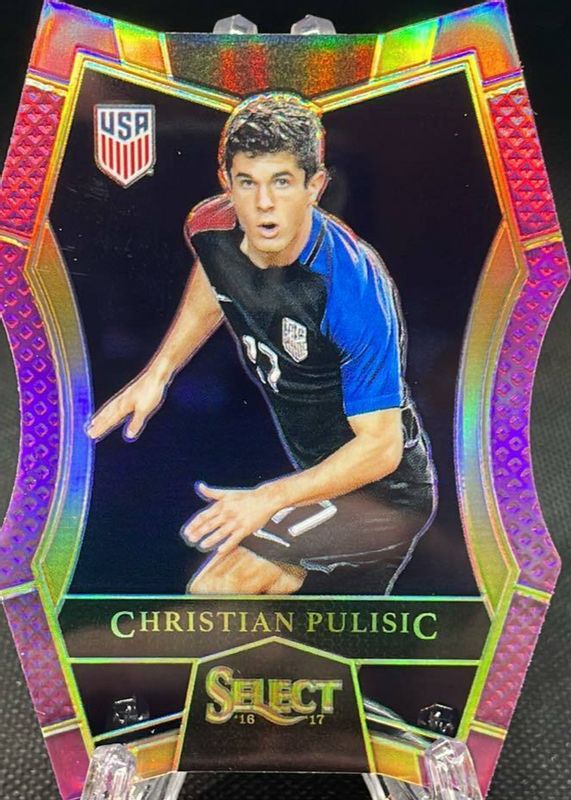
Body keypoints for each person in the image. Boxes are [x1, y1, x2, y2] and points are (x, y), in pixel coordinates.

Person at [88, 93, 436, 596]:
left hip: (382, 492)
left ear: (314, 186)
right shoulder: (210, 228)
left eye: (282, 182)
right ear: (227, 182)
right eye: (248, 182)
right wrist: (159, 372)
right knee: (310, 632)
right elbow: (217, 278)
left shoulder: (349, 288)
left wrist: (267, 499)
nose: (264, 204)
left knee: (217, 591)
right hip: (319, 478)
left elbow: (380, 449)